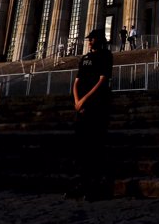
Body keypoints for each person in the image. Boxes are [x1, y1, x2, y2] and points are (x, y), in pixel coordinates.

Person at [69, 28, 113, 200]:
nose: (89, 41)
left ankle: (94, 186)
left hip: (97, 106)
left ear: (100, 40)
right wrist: (77, 101)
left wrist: (84, 99)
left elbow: (103, 80)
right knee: (81, 146)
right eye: (89, 39)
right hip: (82, 107)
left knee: (95, 146)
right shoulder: (85, 58)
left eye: (92, 39)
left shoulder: (105, 55)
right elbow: (76, 81)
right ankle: (81, 184)